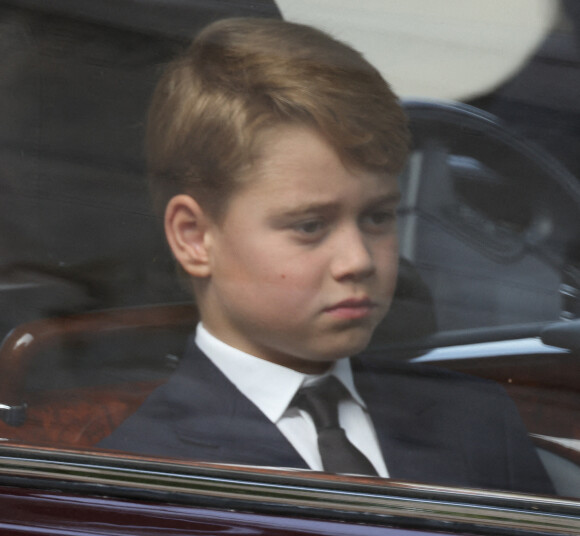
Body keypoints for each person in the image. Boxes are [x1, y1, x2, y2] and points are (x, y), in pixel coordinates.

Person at [100, 17, 553, 495]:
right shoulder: (144, 475)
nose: (358, 260)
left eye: (377, 217)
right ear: (194, 238)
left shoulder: (476, 417)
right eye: (310, 226)